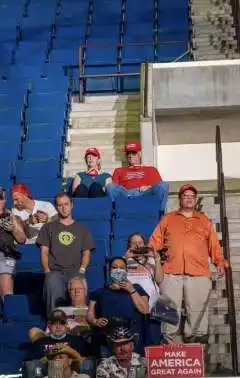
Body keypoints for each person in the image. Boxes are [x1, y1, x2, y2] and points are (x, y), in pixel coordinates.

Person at [149, 184, 226, 344]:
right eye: (185, 196)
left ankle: (195, 351)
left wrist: (219, 262)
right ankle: (167, 347)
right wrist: (152, 254)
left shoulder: (204, 221)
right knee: (168, 311)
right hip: (170, 272)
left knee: (197, 312)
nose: (189, 198)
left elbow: (214, 245)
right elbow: (155, 241)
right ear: (180, 199)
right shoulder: (168, 218)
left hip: (198, 273)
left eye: (192, 196)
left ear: (195, 200)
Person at [37, 193, 94, 318]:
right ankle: (54, 326)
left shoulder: (82, 229)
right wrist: (47, 272)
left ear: (72, 205)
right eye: (60, 205)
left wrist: (81, 271)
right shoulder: (48, 228)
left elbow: (86, 252)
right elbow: (44, 252)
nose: (64, 208)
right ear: (56, 207)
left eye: (66, 204)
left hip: (75, 272)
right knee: (51, 282)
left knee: (80, 286)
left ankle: (81, 327)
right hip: (55, 272)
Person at [87, 257, 151, 353]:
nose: (118, 270)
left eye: (121, 268)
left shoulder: (137, 289)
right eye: (114, 267)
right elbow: (89, 314)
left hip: (131, 338)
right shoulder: (99, 292)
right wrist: (95, 321)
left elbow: (145, 310)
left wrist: (131, 290)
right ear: (109, 271)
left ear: (126, 271)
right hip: (107, 339)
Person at [107, 141, 169, 213]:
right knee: (110, 187)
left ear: (139, 154)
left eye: (133, 153)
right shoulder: (119, 170)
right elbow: (114, 189)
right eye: (128, 153)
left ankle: (161, 213)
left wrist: (149, 187)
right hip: (126, 194)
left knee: (164, 185)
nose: (130, 156)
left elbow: (160, 188)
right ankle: (115, 212)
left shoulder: (151, 169)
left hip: (145, 193)